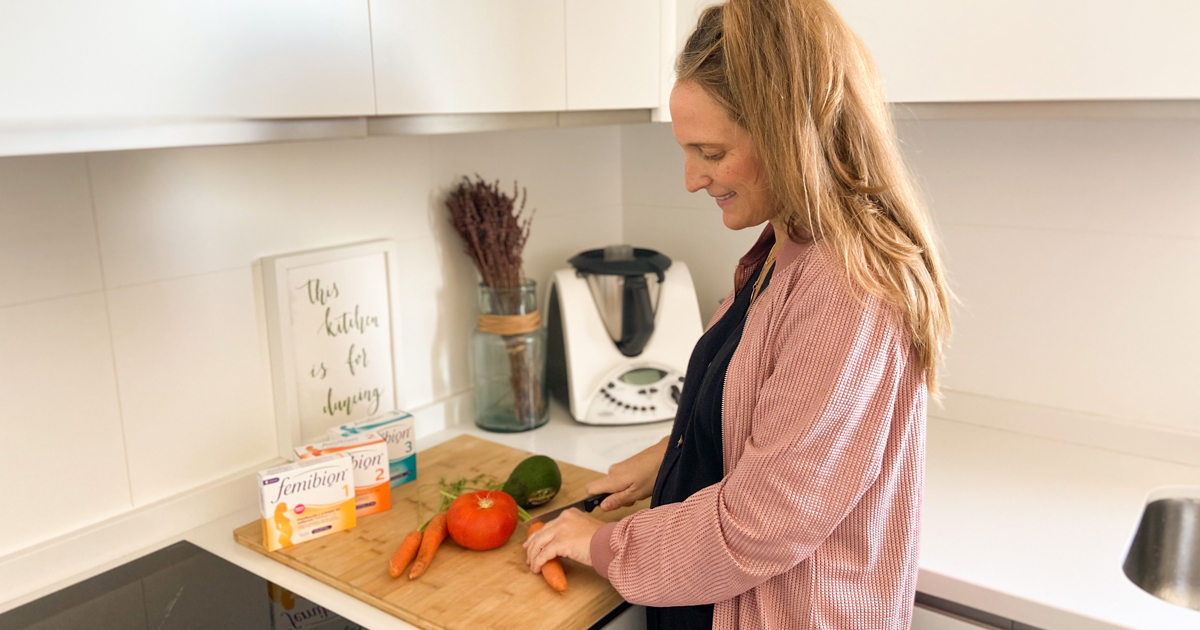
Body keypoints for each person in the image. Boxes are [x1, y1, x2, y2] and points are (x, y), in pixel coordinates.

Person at [524, 0, 951, 627]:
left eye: (711, 152)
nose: (693, 178)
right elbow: (766, 420)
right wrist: (670, 460)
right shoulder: (789, 247)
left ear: (788, 132)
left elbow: (763, 521)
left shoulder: (845, 288)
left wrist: (601, 544)